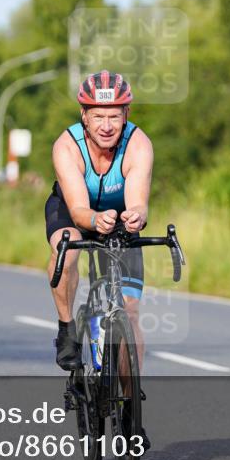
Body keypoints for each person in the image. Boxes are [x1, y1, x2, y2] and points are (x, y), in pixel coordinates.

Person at [46, 71, 153, 372]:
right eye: (98, 117)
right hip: (72, 209)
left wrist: (136, 217)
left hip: (117, 216)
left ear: (126, 115)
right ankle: (67, 329)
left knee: (129, 314)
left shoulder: (138, 144)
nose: (106, 126)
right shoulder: (67, 146)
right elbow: (79, 208)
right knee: (66, 252)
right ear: (84, 115)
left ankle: (130, 408)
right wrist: (93, 219)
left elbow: (137, 202)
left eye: (114, 117)